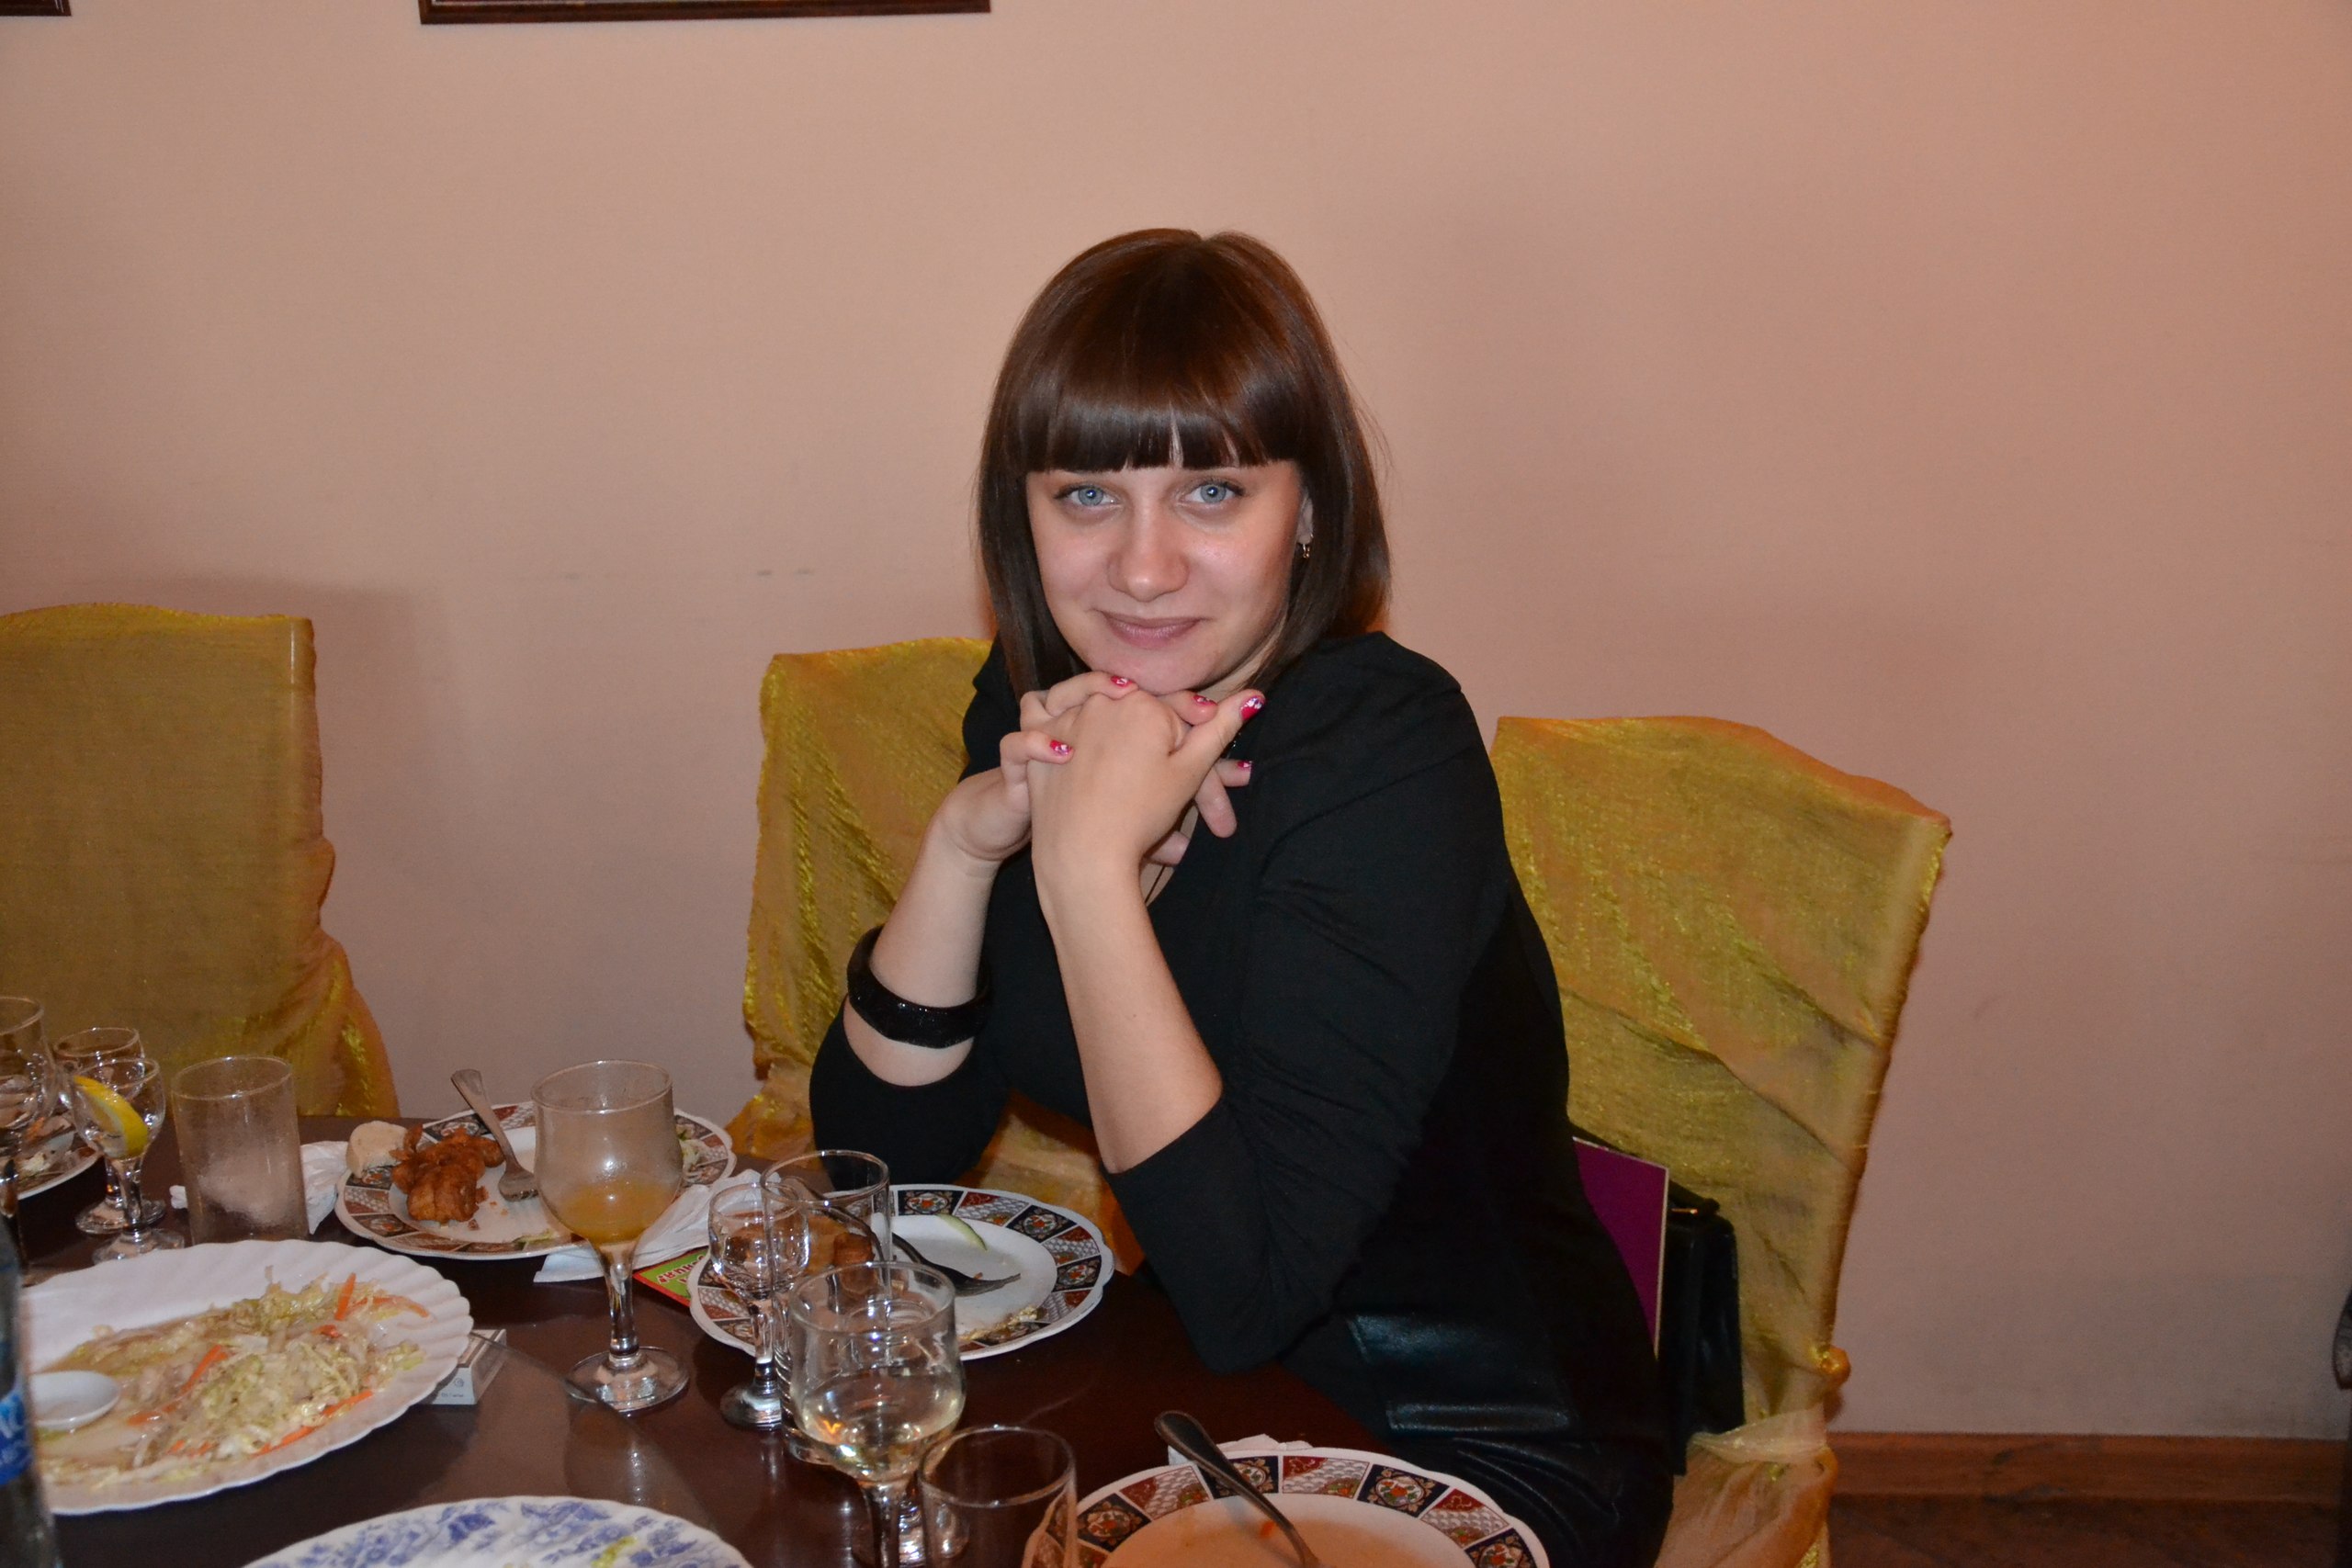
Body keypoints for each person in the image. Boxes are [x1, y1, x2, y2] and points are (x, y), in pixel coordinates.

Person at [809, 229, 1673, 1565]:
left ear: (1310, 508)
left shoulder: (1384, 754)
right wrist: (967, 849)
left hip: (1464, 1427)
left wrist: (1089, 877)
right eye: (1085, 496)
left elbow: (1246, 1287)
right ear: (1020, 516)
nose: (1143, 569)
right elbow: (881, 1167)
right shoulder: (1049, 696)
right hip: (1206, 1394)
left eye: (1211, 492)